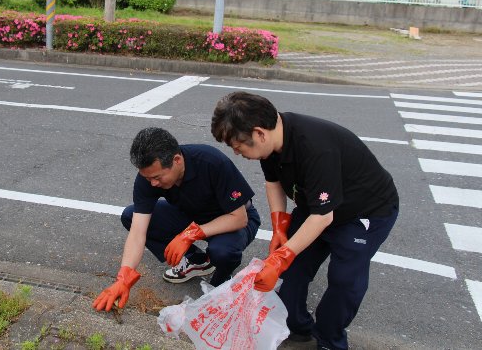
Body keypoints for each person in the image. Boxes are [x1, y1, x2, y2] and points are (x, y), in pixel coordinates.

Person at [211, 91, 399, 350]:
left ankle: (329, 340)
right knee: (291, 274)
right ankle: (298, 328)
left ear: (259, 134)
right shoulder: (271, 146)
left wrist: (280, 257)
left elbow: (323, 217)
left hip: (363, 212)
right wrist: (279, 225)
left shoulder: (315, 146)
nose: (237, 153)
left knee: (345, 280)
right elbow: (273, 181)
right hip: (316, 206)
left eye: (238, 146)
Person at [92, 127, 261, 312]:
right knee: (130, 216)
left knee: (222, 251)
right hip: (190, 214)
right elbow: (138, 232)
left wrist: (189, 234)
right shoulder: (148, 177)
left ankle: (222, 279)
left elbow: (239, 218)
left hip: (229, 219)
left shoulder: (211, 162)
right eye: (148, 178)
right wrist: (123, 277)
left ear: (177, 161)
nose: (153, 184)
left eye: (157, 177)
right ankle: (197, 260)